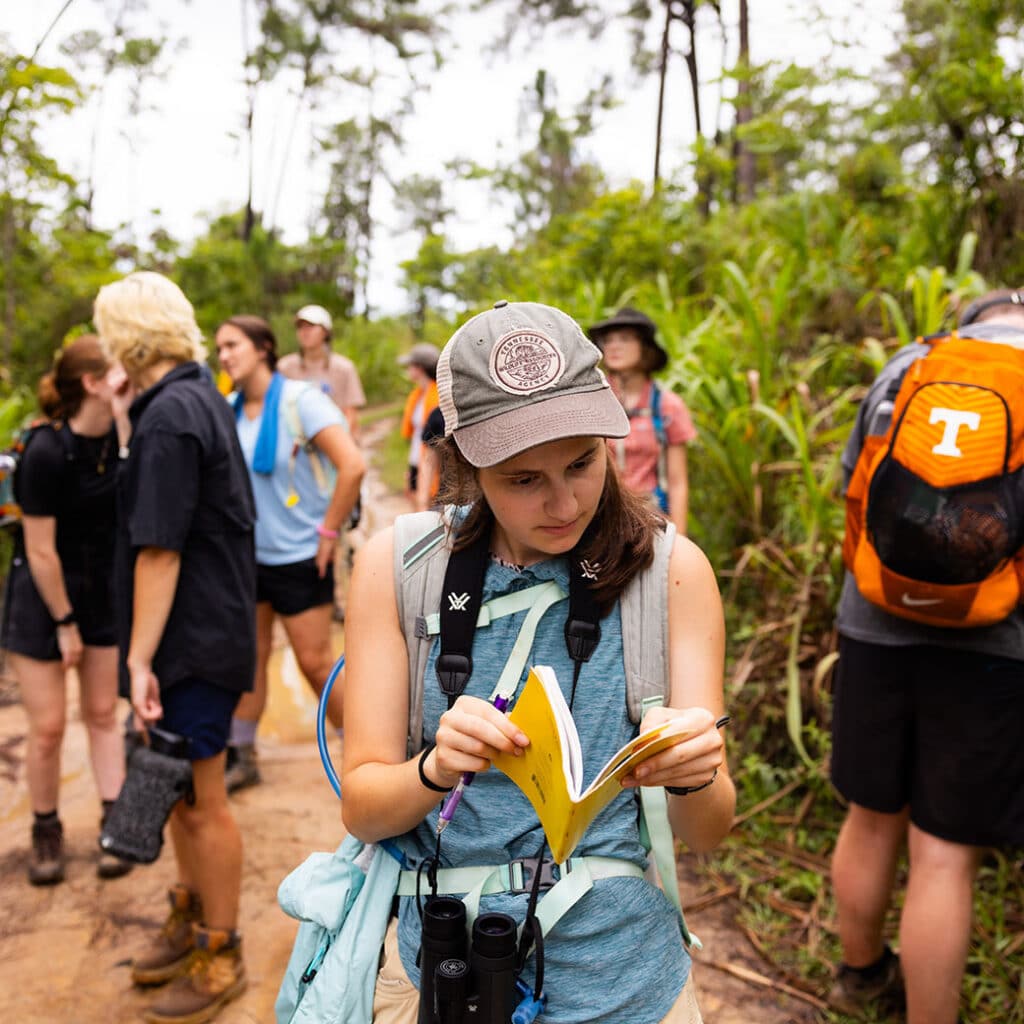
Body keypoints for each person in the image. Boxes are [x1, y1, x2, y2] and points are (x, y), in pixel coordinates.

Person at [342, 300, 734, 1023]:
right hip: (447, 972)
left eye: (583, 462)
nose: (564, 502)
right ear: (463, 463)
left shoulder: (672, 573)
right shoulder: (400, 567)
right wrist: (433, 767)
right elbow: (364, 808)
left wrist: (695, 771)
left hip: (628, 984)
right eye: (523, 479)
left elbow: (707, 832)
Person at [829, 288, 1024, 1024]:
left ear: (972, 320)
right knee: (944, 850)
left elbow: (854, 485)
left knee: (871, 815)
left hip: (874, 621)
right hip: (993, 639)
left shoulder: (909, 365)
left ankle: (858, 978)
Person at [94, 271, 256, 1024]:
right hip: (201, 626)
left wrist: (136, 661)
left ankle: (220, 950)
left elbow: (158, 551)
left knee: (202, 801)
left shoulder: (170, 417)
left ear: (123, 336)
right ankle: (192, 920)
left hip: (190, 637)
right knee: (186, 794)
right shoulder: (193, 396)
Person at [0, 335, 133, 885]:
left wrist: (126, 425)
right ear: (92, 383)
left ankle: (112, 823)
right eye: (117, 370)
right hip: (43, 602)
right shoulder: (47, 452)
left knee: (103, 714)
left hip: (100, 597)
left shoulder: (122, 444)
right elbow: (39, 549)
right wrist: (63, 624)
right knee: (49, 726)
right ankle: (45, 828)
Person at [214, 315, 365, 793]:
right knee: (249, 656)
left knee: (315, 661)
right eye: (219, 348)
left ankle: (358, 748)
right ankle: (242, 753)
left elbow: (353, 466)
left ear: (262, 349)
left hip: (301, 556)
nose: (223, 356)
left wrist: (327, 532)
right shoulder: (230, 409)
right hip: (247, 557)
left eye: (232, 345)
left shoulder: (303, 401)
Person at [278, 303, 366, 621]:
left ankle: (339, 597)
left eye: (311, 326)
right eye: (300, 326)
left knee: (336, 526)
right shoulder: (286, 367)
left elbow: (351, 414)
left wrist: (343, 452)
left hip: (331, 460)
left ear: (325, 331)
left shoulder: (341, 368)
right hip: (295, 462)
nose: (305, 332)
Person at [587, 307, 697, 535]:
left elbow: (678, 483)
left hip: (650, 521)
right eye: (608, 340)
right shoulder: (591, 400)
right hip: (597, 521)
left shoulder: (667, 406)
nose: (614, 346)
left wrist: (680, 541)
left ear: (645, 349)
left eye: (625, 339)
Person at [397, 342, 440, 508]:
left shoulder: (437, 396)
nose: (408, 370)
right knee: (416, 508)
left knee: (428, 510)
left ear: (420, 368)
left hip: (431, 465)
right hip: (417, 460)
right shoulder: (417, 395)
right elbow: (414, 435)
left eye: (410, 366)